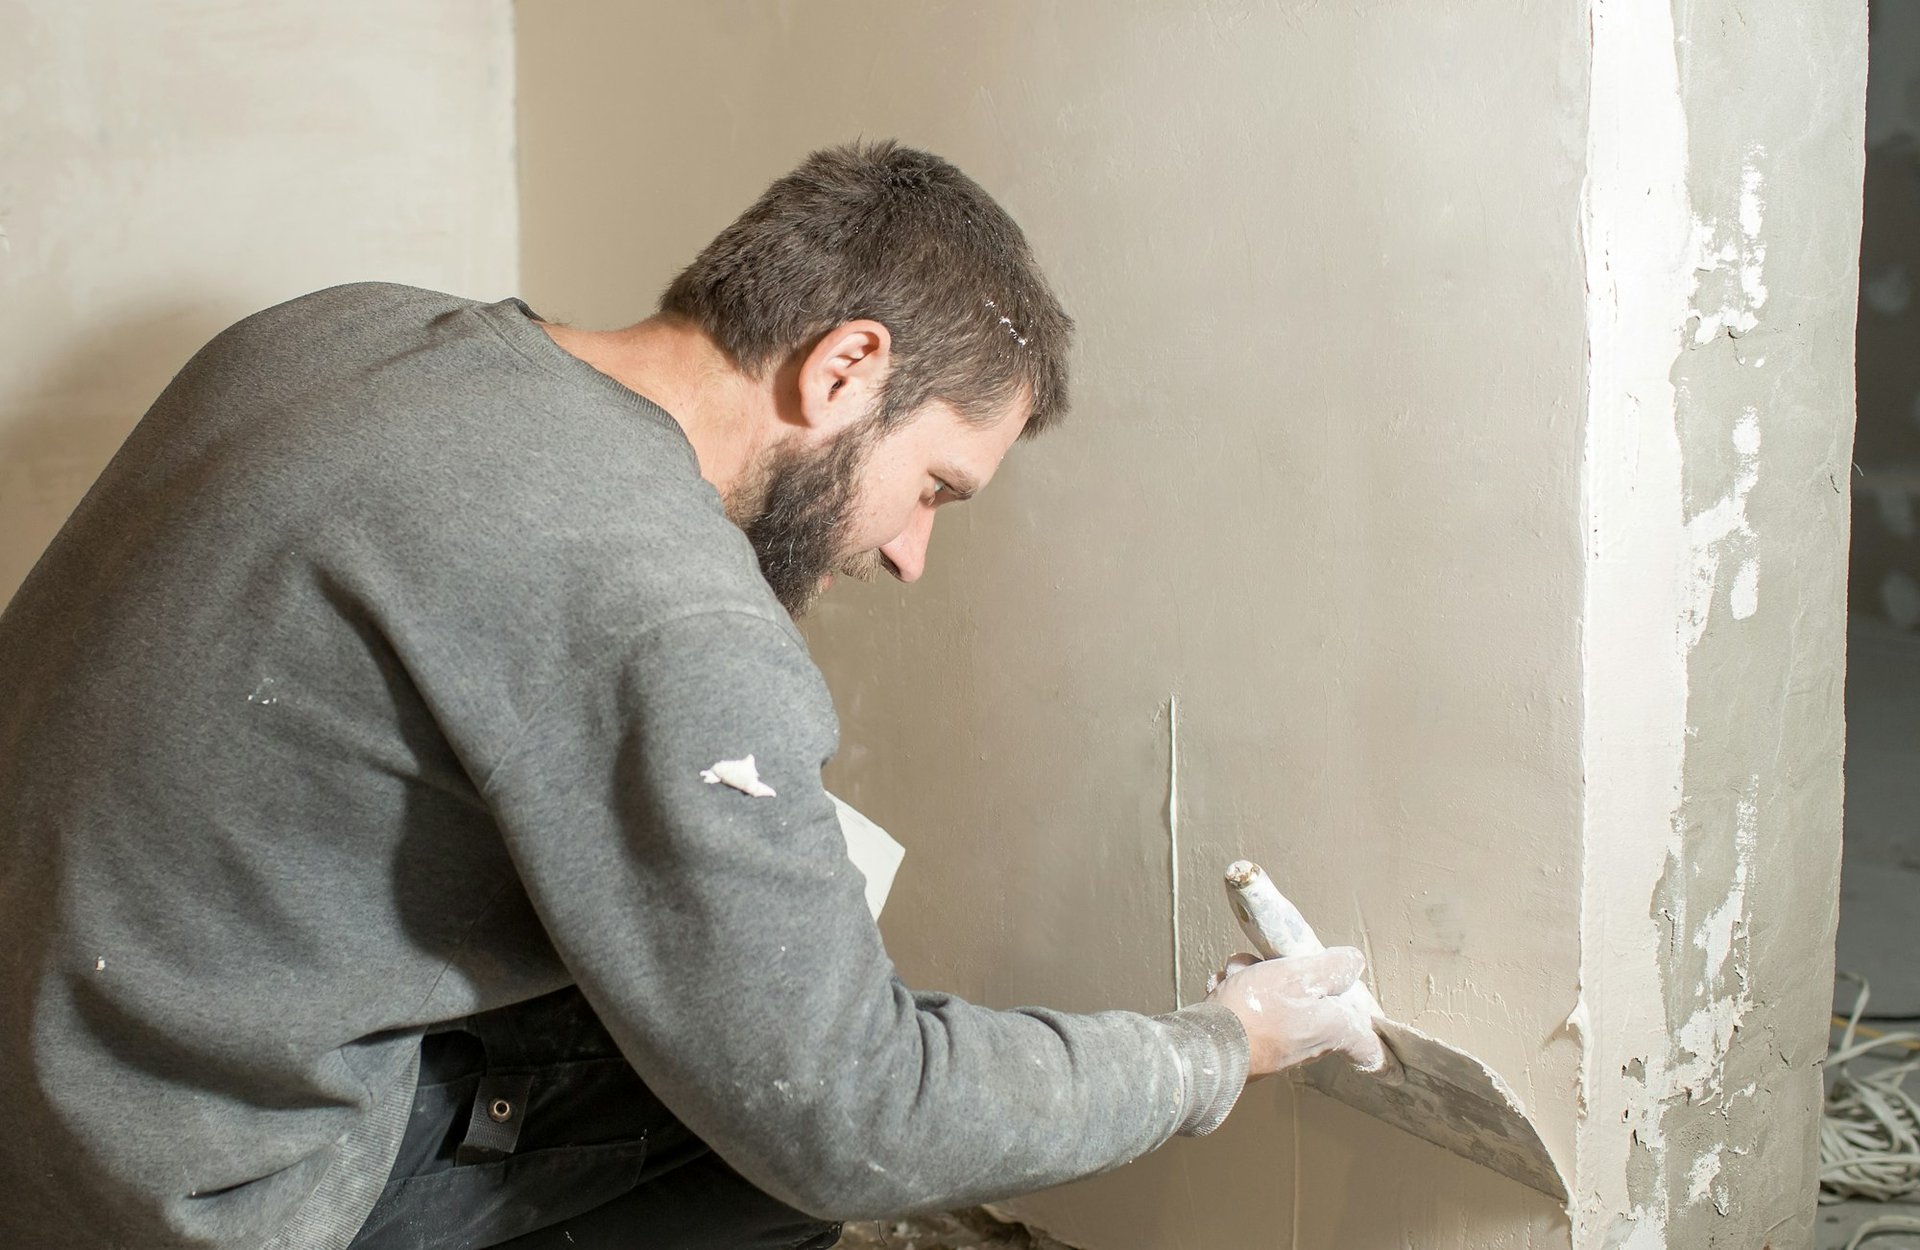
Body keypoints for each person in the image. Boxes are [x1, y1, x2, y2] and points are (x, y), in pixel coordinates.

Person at [0, 140, 1384, 1250]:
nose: (909, 552)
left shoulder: (347, 330)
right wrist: (1220, 1047)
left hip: (46, 1083)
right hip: (174, 1197)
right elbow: (860, 1109)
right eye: (935, 488)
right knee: (777, 1153)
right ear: (844, 367)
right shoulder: (658, 596)